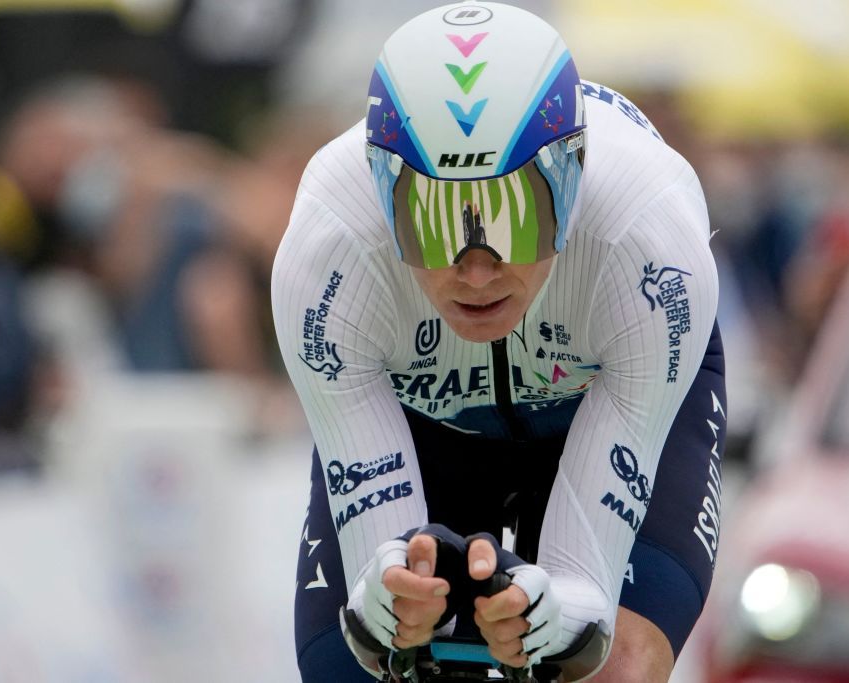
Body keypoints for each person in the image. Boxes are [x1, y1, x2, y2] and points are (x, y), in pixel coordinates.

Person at [271, 2, 726, 681]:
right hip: (423, 419)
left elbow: (586, 603)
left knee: (618, 663)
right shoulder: (329, 252)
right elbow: (383, 594)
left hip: (602, 392)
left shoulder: (648, 237)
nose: (476, 269)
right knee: (364, 666)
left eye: (513, 217)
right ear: (381, 193)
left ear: (570, 184)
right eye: (431, 220)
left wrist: (560, 617)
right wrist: (395, 608)